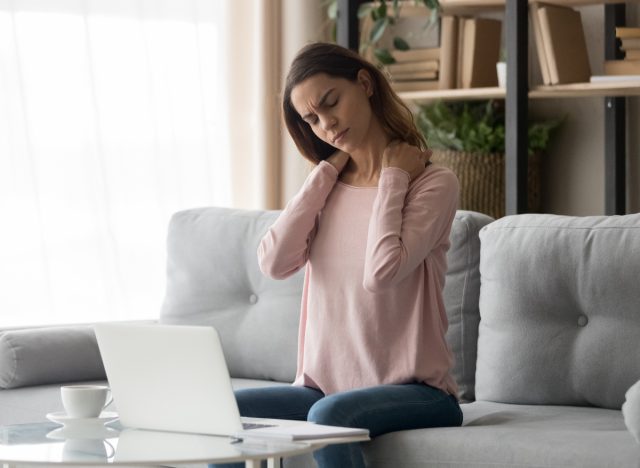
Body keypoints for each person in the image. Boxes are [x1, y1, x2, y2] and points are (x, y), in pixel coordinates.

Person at [213, 42, 462, 468]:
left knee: (329, 415)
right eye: (312, 119)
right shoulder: (326, 186)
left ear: (364, 84)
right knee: (218, 410)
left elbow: (382, 272)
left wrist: (394, 175)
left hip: (418, 391)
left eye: (331, 103)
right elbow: (273, 263)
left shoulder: (431, 183)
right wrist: (325, 171)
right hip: (323, 387)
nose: (326, 124)